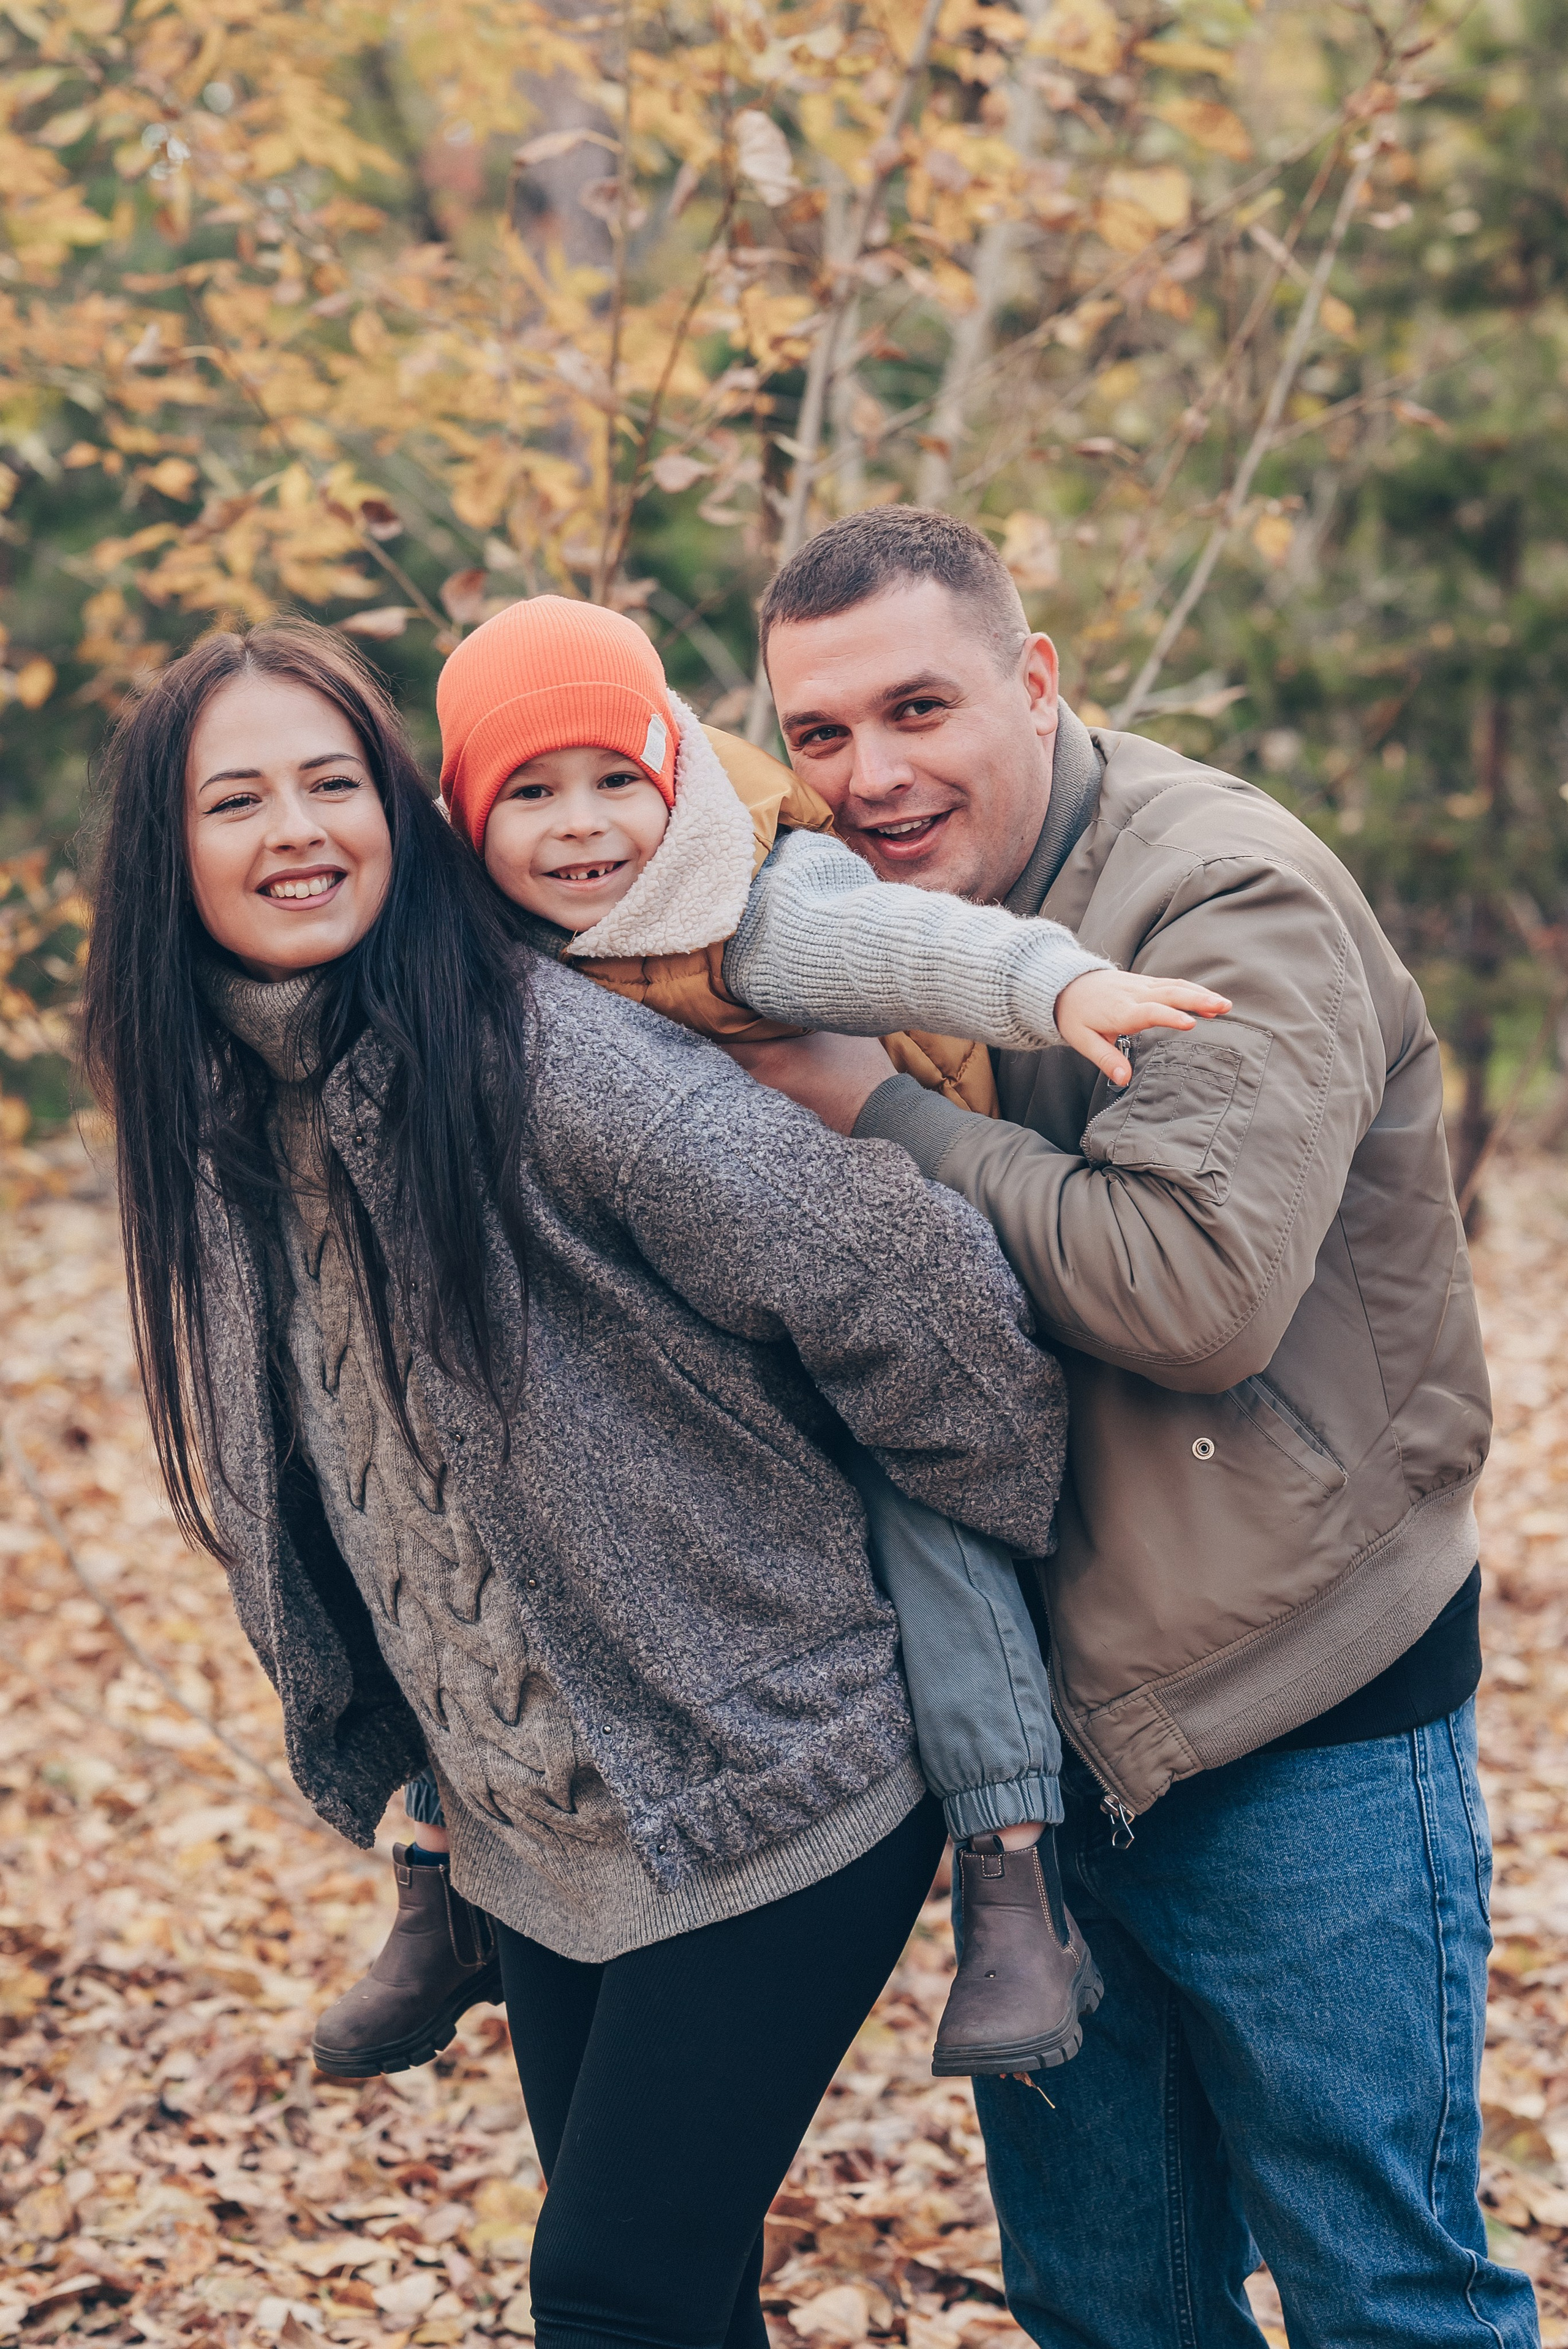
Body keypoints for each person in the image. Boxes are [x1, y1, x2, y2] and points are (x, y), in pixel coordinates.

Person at [80, 620, 1075, 2347]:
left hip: (772, 1776)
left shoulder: (556, 1064)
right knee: (670, 2285)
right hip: (537, 1825)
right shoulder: (229, 1113)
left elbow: (922, 1293)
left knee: (608, 2288)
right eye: (236, 798)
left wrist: (962, 1530)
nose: (295, 828)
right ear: (171, 857)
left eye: (334, 782)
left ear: (405, 814)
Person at [722, 506, 1537, 2349]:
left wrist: (877, 1114)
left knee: (1383, 2289)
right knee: (1110, 2298)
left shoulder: (1222, 892)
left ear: (1034, 681)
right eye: (823, 733)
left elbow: (1194, 1291)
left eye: (919, 707)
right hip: (1039, 1741)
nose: (871, 773)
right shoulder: (852, 916)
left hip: (1295, 1699)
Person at [312, 590, 1229, 2086]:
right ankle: (441, 1857)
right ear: (463, 816)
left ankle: (1009, 1872)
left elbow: (901, 944)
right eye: (528, 794)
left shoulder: (743, 896)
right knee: (444, 1483)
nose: (581, 825)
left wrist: (1056, 984)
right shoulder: (454, 942)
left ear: (672, 775)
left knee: (925, 1514)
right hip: (650, 1317)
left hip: (843, 1267)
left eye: (616, 779)